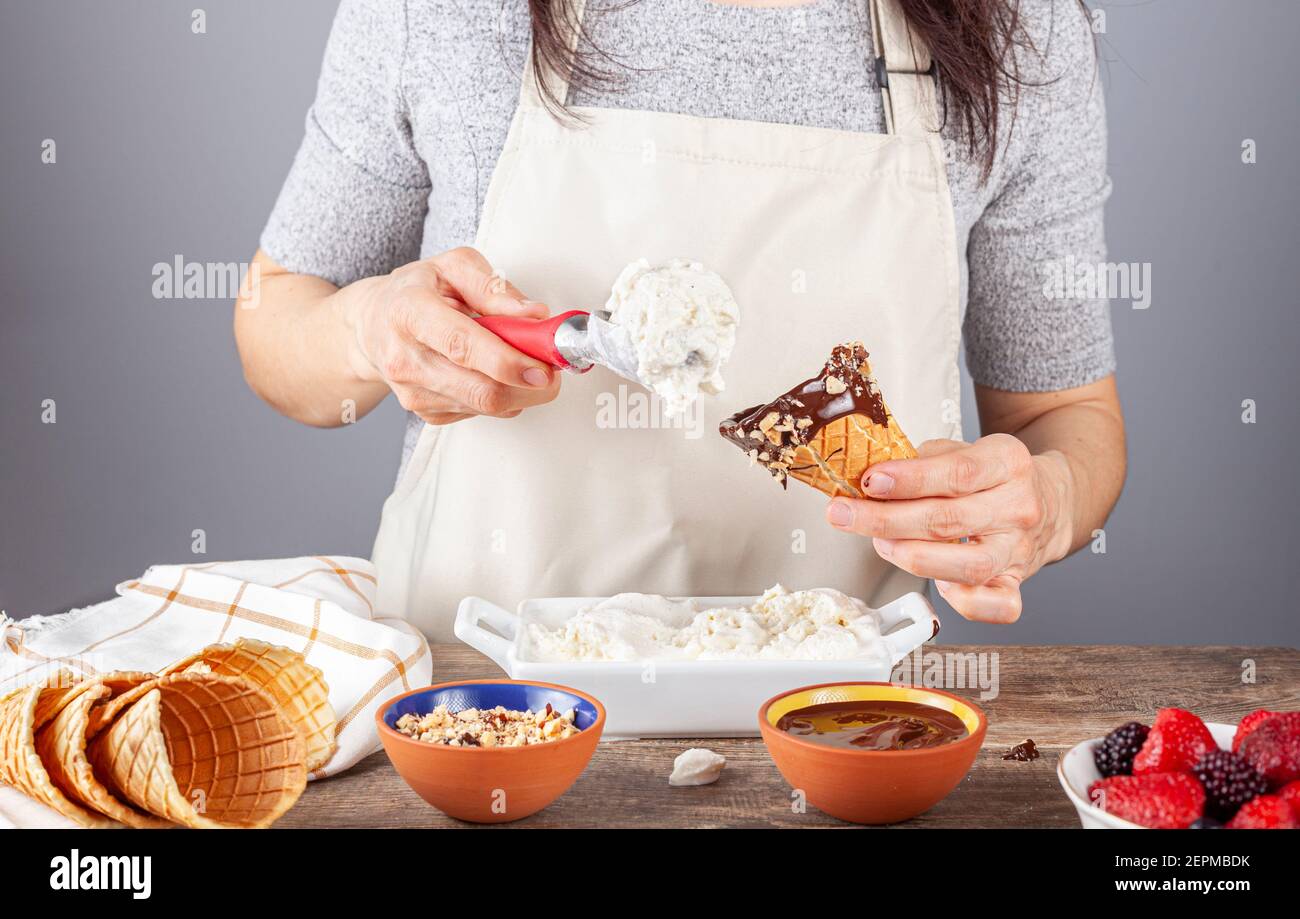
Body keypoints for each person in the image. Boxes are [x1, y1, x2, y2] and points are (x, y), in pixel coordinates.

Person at [234, 0, 1126, 638]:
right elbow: (274, 318)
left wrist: (1042, 507)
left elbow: (1065, 415)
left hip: (841, 735)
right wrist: (368, 328)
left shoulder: (1019, 27)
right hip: (491, 724)